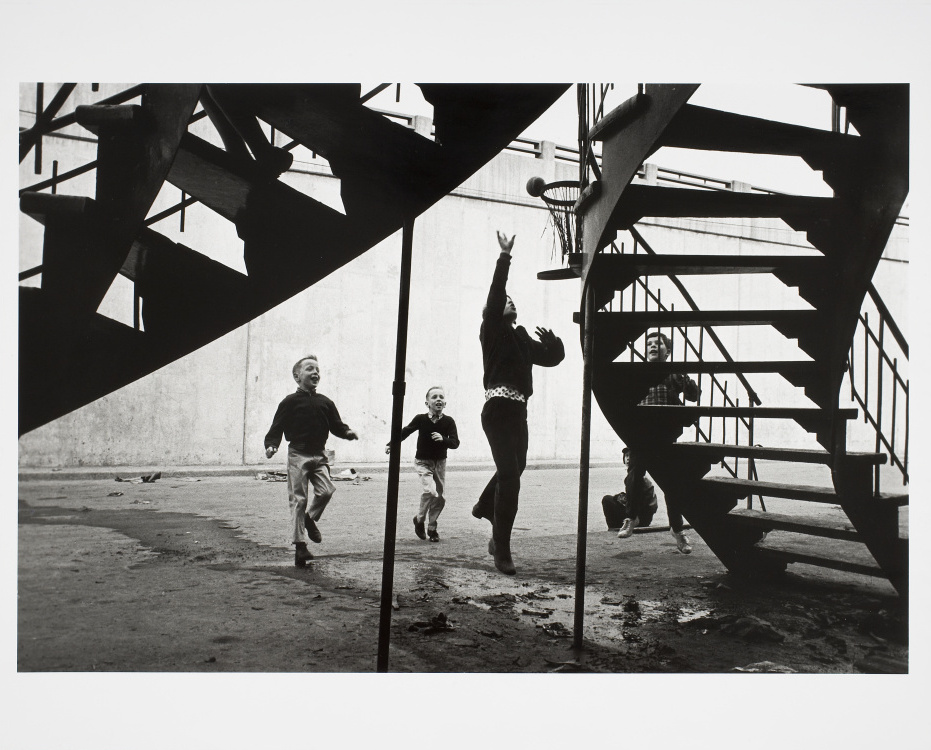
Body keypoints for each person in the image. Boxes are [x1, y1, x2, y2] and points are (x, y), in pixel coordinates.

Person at [473, 230, 565, 575]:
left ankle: (485, 504)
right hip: (497, 409)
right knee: (511, 477)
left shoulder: (522, 337)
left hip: (519, 412)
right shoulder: (491, 331)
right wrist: (504, 257)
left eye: (514, 300)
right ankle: (502, 547)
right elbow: (496, 294)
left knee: (516, 469)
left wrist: (556, 345)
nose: (510, 302)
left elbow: (551, 359)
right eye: (505, 301)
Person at [264, 355, 358, 567]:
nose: (315, 372)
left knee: (326, 491)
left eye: (317, 369)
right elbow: (276, 428)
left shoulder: (325, 402)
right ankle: (300, 547)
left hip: (320, 455)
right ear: (297, 376)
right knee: (299, 499)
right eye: (309, 369)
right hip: (298, 455)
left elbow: (337, 425)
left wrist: (347, 432)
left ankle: (309, 519)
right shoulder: (289, 402)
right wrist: (271, 444)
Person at [618, 331, 698, 554]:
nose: (652, 346)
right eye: (649, 344)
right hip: (642, 433)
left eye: (658, 343)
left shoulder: (673, 374)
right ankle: (631, 518)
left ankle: (677, 529)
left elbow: (693, 396)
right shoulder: (641, 373)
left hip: (665, 434)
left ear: (667, 351)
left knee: (671, 484)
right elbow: (625, 400)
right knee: (633, 475)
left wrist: (686, 379)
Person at [385, 386, 460, 542]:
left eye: (441, 397)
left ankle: (432, 528)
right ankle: (419, 520)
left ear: (445, 403)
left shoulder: (449, 421)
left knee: (440, 497)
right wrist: (392, 443)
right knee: (430, 491)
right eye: (434, 397)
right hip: (423, 462)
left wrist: (443, 439)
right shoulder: (420, 419)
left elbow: (455, 443)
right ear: (427, 403)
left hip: (439, 463)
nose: (438, 399)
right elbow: (405, 431)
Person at [602, 446, 657, 531]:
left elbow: (638, 500)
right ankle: (616, 527)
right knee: (613, 498)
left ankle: (613, 528)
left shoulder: (636, 477)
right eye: (626, 456)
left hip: (639, 518)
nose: (628, 459)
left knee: (606, 500)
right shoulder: (636, 476)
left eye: (631, 456)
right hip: (643, 517)